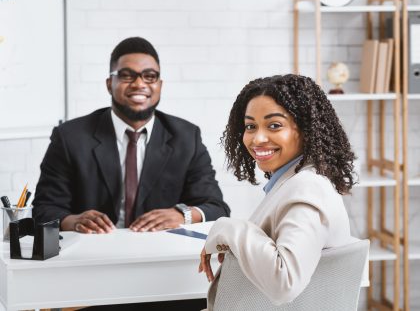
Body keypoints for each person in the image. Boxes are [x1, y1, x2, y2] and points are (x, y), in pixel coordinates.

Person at [32, 37, 230, 309]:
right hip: (91, 275)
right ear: (109, 83)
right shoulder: (70, 137)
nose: (139, 84)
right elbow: (44, 209)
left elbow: (217, 207)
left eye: (150, 76)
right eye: (127, 75)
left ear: (159, 85)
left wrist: (181, 214)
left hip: (165, 277)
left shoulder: (186, 136)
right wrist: (73, 220)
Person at [199, 74, 357, 309]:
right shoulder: (298, 182)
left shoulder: (307, 190)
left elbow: (285, 282)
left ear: (306, 130)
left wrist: (227, 227)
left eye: (274, 125)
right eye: (250, 126)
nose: (257, 138)